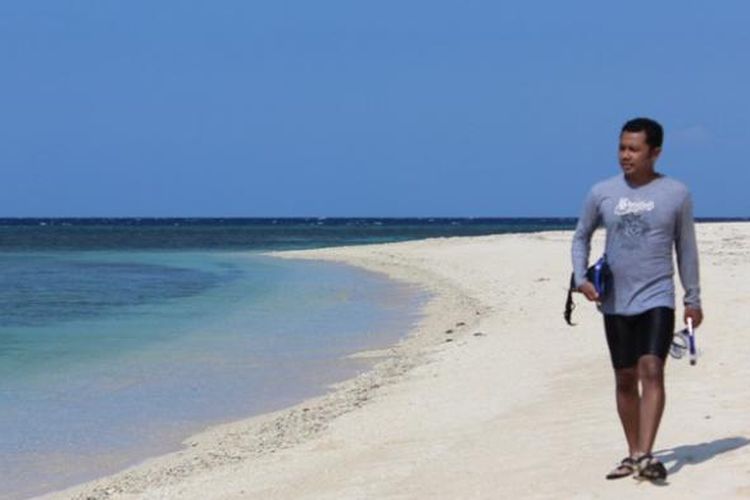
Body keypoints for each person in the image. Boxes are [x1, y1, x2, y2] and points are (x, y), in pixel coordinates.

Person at [571, 117, 703, 482]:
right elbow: (581, 236)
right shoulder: (602, 192)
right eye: (622, 148)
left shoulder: (676, 193)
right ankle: (634, 454)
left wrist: (693, 298)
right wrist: (581, 279)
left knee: (652, 369)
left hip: (658, 295)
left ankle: (645, 454)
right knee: (625, 378)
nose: (625, 156)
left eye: (634, 149)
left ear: (655, 152)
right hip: (614, 300)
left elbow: (686, 249)